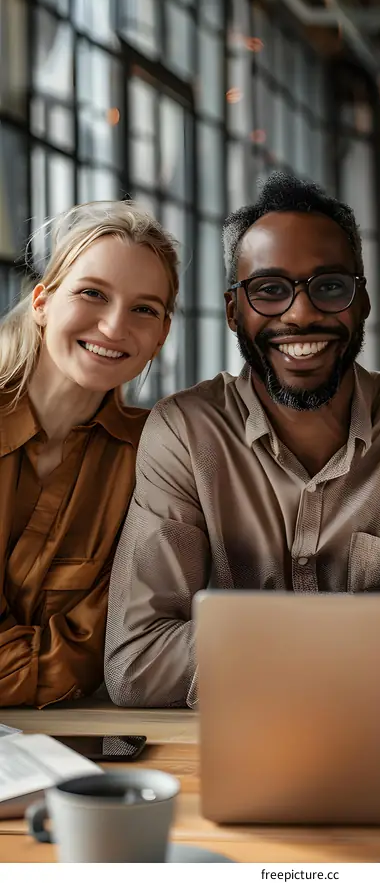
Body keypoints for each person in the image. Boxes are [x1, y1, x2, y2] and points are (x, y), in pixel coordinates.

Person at [105, 171, 380, 709]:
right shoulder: (184, 431)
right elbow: (137, 663)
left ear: (362, 303)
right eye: (269, 290)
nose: (301, 313)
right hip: (227, 756)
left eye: (329, 286)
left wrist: (250, 643)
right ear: (232, 311)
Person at [0, 201, 178, 708]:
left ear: (161, 335)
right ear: (41, 302)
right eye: (92, 294)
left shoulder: (156, 456)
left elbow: (107, 644)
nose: (114, 327)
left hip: (70, 736)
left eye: (144, 309)